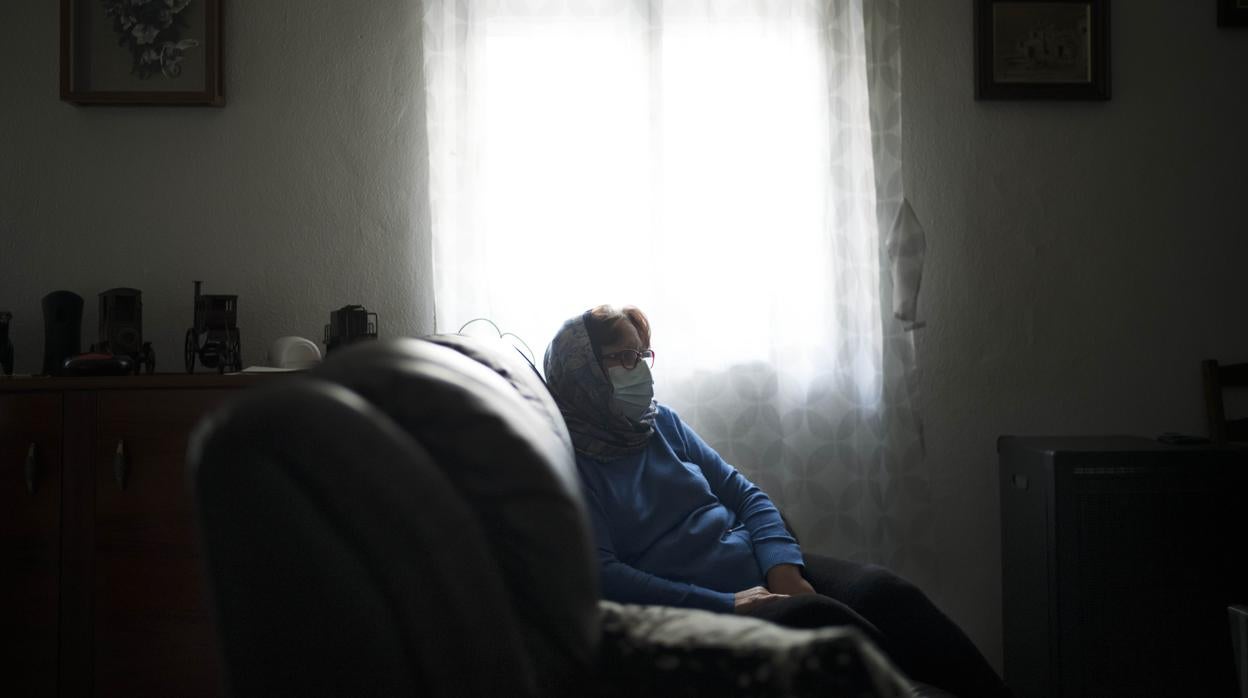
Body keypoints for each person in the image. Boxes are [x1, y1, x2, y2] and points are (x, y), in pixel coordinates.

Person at [543, 305, 1010, 698]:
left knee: (886, 592)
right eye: (621, 359)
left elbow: (745, 494)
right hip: (715, 603)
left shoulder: (660, 423)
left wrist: (782, 565)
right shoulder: (573, 463)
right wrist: (727, 603)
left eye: (641, 354)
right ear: (582, 374)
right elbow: (606, 578)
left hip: (764, 568)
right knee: (826, 626)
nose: (640, 370)